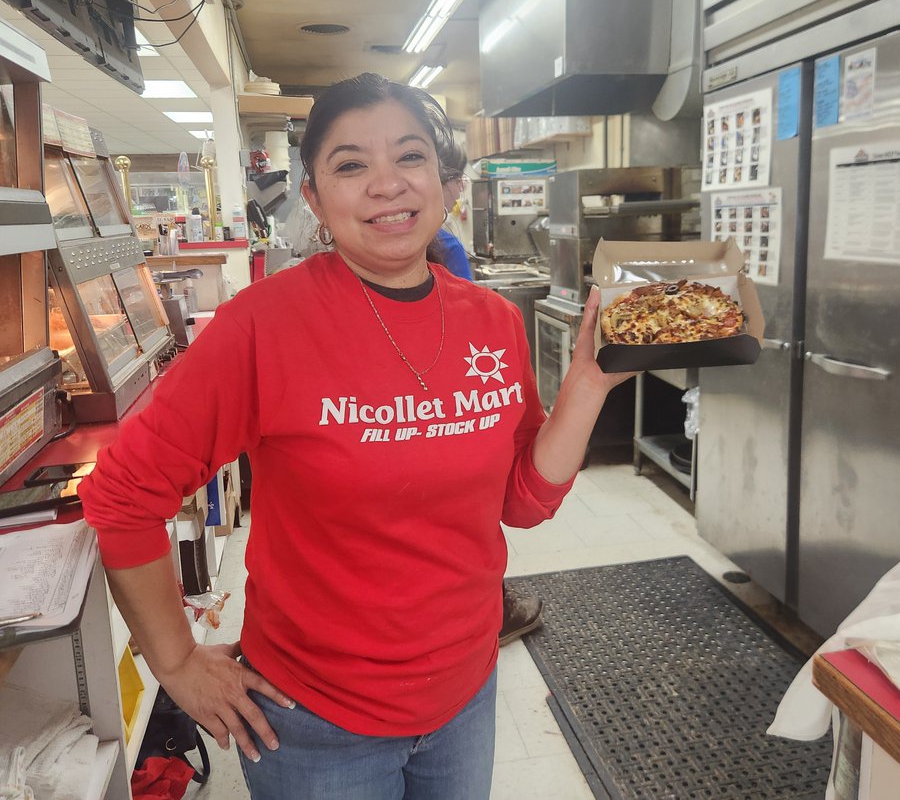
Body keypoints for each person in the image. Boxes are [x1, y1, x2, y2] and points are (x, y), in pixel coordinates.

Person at [79, 72, 632, 799]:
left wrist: (589, 384)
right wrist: (176, 663)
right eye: (350, 165)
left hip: (466, 690)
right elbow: (123, 495)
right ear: (313, 197)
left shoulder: (491, 321)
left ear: (443, 180)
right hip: (312, 723)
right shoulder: (265, 326)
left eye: (409, 157)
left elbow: (522, 501)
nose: (386, 185)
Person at [427, 132, 545, 647]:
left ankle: (489, 608)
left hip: (464, 662)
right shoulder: (447, 244)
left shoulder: (493, 315)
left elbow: (524, 493)